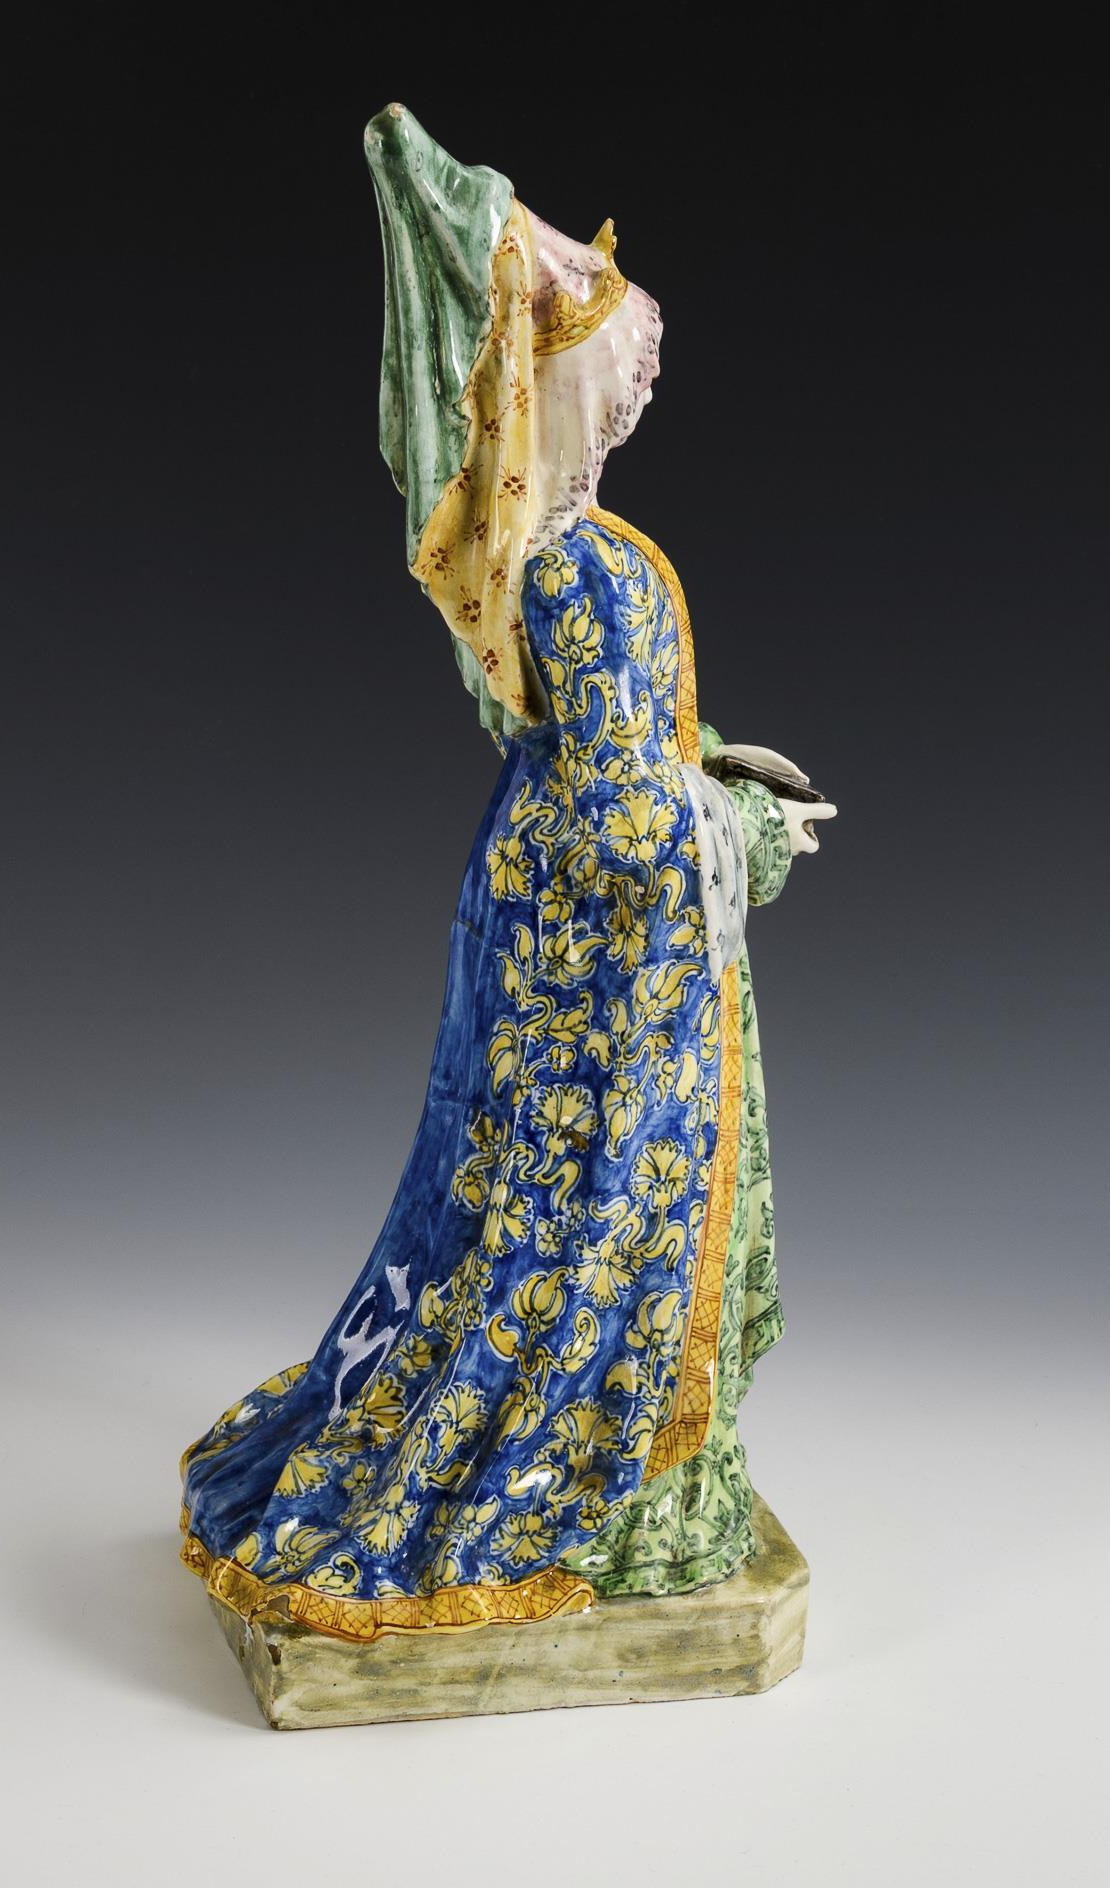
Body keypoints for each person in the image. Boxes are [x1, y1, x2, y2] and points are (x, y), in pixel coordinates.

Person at [179, 105, 835, 1641]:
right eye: (621, 356)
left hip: (560, 912)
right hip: (605, 943)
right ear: (560, 382)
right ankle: (599, 1486)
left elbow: (628, 745)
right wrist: (743, 833)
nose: (638, 376)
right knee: (596, 1190)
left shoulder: (569, 546)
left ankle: (607, 1457)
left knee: (541, 1185)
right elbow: (622, 817)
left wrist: (712, 758)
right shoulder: (577, 568)